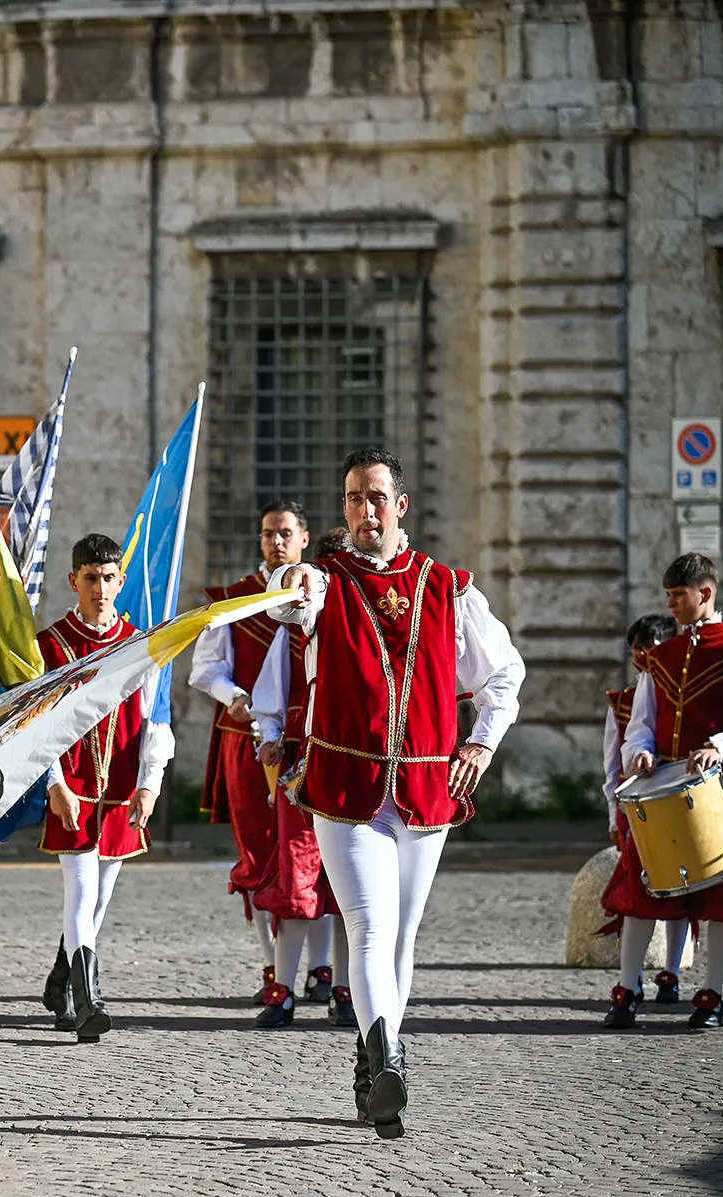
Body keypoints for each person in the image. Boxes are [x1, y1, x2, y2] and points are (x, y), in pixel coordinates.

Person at [261, 448, 524, 1139]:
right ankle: (389, 1062)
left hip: (426, 785)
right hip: (347, 787)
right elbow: (291, 593)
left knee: (402, 935)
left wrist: (481, 743)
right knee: (369, 927)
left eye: (376, 497)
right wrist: (290, 579)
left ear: (400, 505)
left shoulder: (448, 587)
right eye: (352, 498)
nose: (364, 510)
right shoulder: (325, 580)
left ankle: (371, 1061)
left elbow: (504, 675)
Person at [37, 534, 174, 1041]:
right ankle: (88, 999)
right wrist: (54, 782)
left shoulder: (141, 644)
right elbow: (40, 724)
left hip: (120, 787)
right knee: (79, 891)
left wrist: (150, 784)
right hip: (71, 784)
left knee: (98, 902)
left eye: (109, 578)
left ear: (121, 581)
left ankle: (60, 983)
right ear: (74, 580)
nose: (100, 588)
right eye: (90, 578)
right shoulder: (51, 645)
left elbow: (156, 717)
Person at [190, 500, 313, 1003]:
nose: (276, 542)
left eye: (285, 533)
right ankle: (272, 967)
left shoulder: (319, 594)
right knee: (260, 857)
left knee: (313, 859)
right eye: (268, 534)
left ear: (303, 538)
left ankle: (323, 970)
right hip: (246, 745)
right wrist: (235, 697)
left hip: (309, 742)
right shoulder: (234, 600)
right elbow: (205, 668)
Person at [618, 553, 723, 1029]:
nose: (669, 604)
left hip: (722, 792)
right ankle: (627, 989)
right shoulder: (659, 659)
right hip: (662, 791)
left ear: (705, 594)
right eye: (667, 595)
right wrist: (641, 752)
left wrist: (721, 745)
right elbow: (640, 725)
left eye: (678, 595)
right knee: (643, 890)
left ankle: (711, 994)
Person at [249, 526, 357, 1030]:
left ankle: (345, 988)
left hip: (360, 774)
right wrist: (269, 735)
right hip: (302, 773)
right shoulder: (293, 632)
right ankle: (283, 991)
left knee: (349, 889)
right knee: (295, 883)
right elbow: (269, 697)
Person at [599, 612, 690, 1027]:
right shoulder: (622, 700)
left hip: (680, 803)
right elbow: (611, 760)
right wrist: (613, 811)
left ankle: (671, 973)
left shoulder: (685, 697)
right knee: (638, 893)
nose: (640, 655)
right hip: (638, 806)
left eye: (648, 646)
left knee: (684, 888)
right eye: (635, 647)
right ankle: (630, 981)